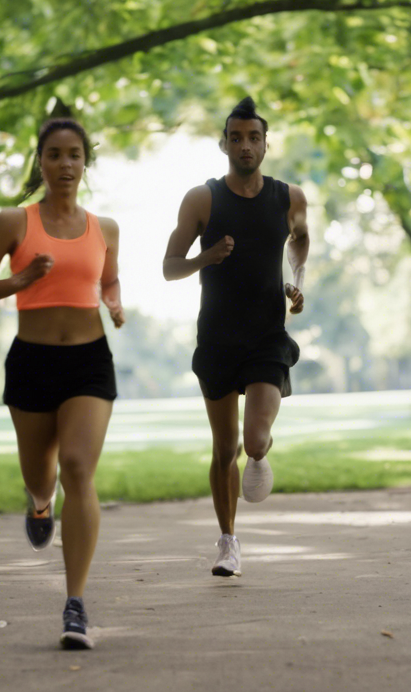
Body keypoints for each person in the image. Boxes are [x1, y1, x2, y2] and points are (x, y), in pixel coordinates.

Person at [0, 117, 124, 650]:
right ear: (40, 161)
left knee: (78, 467)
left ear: (86, 162)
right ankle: (37, 503)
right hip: (31, 363)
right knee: (40, 475)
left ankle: (74, 603)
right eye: (54, 155)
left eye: (74, 154)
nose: (65, 165)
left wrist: (115, 302)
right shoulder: (14, 221)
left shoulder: (106, 228)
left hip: (89, 363)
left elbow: (108, 278)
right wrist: (22, 280)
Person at [162, 96, 309, 578]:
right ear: (223, 143)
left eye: (254, 137)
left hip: (268, 335)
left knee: (253, 440)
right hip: (219, 340)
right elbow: (169, 268)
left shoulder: (289, 197)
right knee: (224, 449)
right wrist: (208, 257)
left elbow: (300, 240)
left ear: (266, 144)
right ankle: (228, 543)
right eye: (236, 137)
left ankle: (262, 455)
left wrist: (297, 282)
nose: (245, 145)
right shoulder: (202, 199)